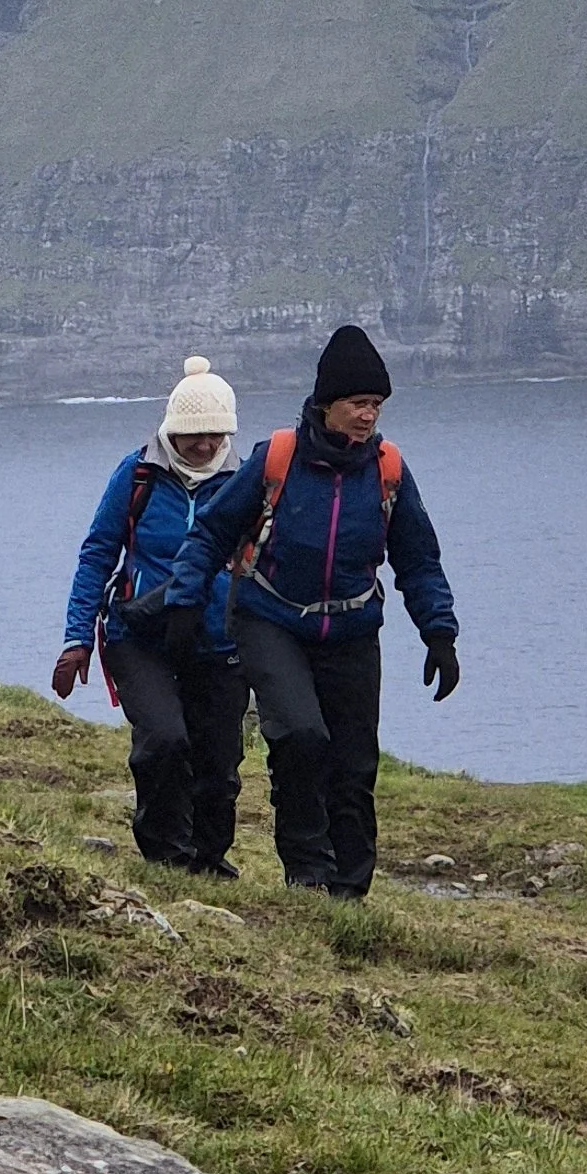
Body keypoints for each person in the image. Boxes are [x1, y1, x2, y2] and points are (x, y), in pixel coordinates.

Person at [168, 322, 458, 898]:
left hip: (351, 629)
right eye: (358, 403)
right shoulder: (277, 458)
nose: (368, 415)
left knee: (354, 763)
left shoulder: (389, 470)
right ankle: (307, 875)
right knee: (301, 737)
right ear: (327, 404)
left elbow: (418, 559)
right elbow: (211, 534)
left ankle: (349, 892)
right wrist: (183, 603)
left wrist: (440, 634)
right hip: (271, 620)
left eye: (376, 404)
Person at [54, 360, 246, 874]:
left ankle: (209, 859)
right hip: (139, 637)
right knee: (164, 740)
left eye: (216, 434)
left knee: (219, 761)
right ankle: (166, 855)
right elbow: (98, 554)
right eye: (194, 434)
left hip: (219, 641)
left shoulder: (245, 482)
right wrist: (77, 639)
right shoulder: (137, 474)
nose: (205, 445)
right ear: (171, 430)